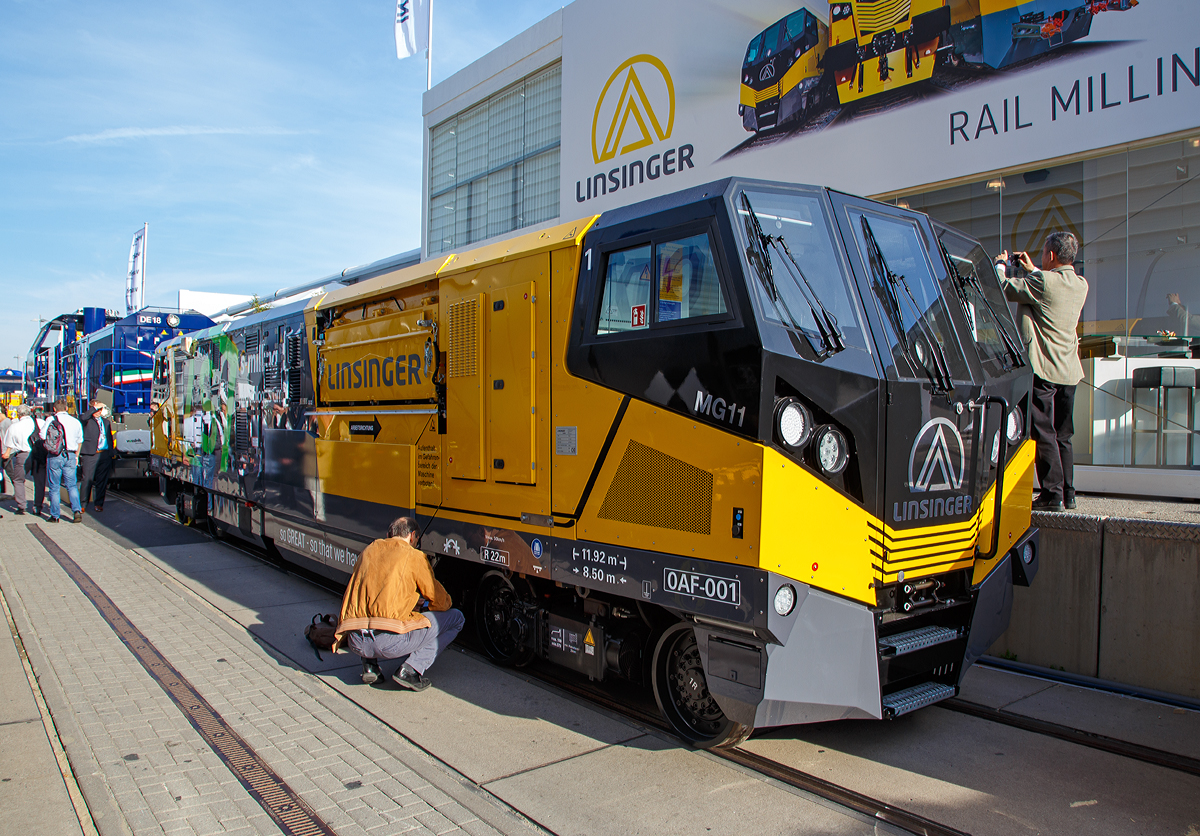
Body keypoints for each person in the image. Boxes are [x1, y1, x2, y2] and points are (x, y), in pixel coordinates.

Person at [996, 232, 1089, 512]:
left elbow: (1003, 288)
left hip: (1044, 369)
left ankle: (1052, 495)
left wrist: (1001, 264)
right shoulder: (1081, 284)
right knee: (1063, 434)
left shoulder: (1042, 281)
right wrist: (1033, 269)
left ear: (1050, 255)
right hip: (1070, 371)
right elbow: (1051, 286)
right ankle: (1069, 493)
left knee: (1043, 432)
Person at [332, 516, 464, 691]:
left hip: (356, 640)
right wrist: (426, 608)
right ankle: (411, 670)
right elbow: (439, 601)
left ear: (389, 534)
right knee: (456, 618)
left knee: (368, 610)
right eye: (417, 540)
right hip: (388, 644)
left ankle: (370, 666)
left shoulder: (369, 550)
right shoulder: (414, 555)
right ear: (412, 536)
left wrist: (410, 603)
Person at [42, 400, 84, 523]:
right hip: (70, 455)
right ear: (66, 408)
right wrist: (76, 456)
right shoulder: (75, 421)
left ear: (54, 409)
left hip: (55, 455)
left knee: (54, 487)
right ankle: (76, 511)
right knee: (71, 485)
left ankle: (55, 516)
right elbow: (80, 440)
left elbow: (42, 435)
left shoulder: (50, 420)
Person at [79, 402, 116, 511]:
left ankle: (99, 503)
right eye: (96, 410)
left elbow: (109, 437)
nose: (98, 412)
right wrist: (94, 408)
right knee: (87, 479)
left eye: (100, 410)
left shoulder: (106, 422)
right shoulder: (87, 421)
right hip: (91, 454)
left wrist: (111, 452)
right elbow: (82, 418)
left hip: (104, 453)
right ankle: (83, 504)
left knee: (102, 480)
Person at [2, 404, 36, 516]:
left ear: (18, 414)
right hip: (38, 454)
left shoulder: (14, 426)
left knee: (18, 480)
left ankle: (22, 506)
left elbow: (8, 445)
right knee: (39, 481)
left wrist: (6, 453)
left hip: (23, 455)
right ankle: (38, 506)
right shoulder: (37, 422)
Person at [25, 409, 48, 517]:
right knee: (46, 483)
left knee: (20, 479)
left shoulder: (19, 424)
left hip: (29, 455)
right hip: (45, 454)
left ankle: (33, 505)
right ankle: (42, 506)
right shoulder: (45, 423)